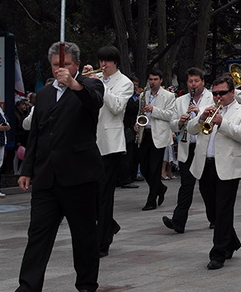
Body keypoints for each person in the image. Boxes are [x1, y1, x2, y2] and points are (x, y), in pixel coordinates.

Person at [0, 41, 104, 292]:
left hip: (79, 175)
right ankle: (28, 290)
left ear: (77, 65)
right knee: (38, 233)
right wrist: (27, 169)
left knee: (84, 233)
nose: (61, 69)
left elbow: (94, 102)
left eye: (66, 64)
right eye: (57, 65)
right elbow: (37, 134)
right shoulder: (44, 95)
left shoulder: (90, 86)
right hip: (47, 177)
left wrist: (75, 84)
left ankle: (86, 284)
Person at [187, 73, 241, 269]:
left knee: (223, 210)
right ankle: (232, 241)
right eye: (215, 93)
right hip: (205, 165)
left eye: (223, 93)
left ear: (232, 92)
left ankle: (218, 253)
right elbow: (191, 130)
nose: (218, 97)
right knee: (213, 211)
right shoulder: (208, 109)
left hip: (228, 167)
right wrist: (201, 117)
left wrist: (221, 122)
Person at [85, 46, 134, 257]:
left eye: (107, 62)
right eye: (101, 61)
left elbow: (116, 107)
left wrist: (100, 85)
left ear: (115, 62)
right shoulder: (96, 79)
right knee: (91, 193)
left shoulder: (125, 83)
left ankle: (102, 241)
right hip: (92, 141)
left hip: (112, 144)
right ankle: (110, 224)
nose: (103, 65)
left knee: (105, 194)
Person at [163, 68, 213, 233]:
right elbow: (171, 122)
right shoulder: (181, 100)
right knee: (186, 185)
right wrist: (179, 122)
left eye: (196, 81)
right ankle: (178, 221)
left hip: (203, 147)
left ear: (202, 82)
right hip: (187, 146)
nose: (193, 84)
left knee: (206, 186)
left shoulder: (211, 97)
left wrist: (199, 113)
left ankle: (214, 218)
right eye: (190, 81)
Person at [138, 68, 176, 211]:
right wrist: (138, 122)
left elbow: (170, 115)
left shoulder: (168, 96)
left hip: (158, 135)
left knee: (154, 168)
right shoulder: (144, 95)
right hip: (145, 133)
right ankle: (160, 187)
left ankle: (152, 199)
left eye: (155, 79)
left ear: (160, 80)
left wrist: (153, 109)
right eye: (151, 79)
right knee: (144, 167)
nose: (153, 82)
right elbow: (140, 112)